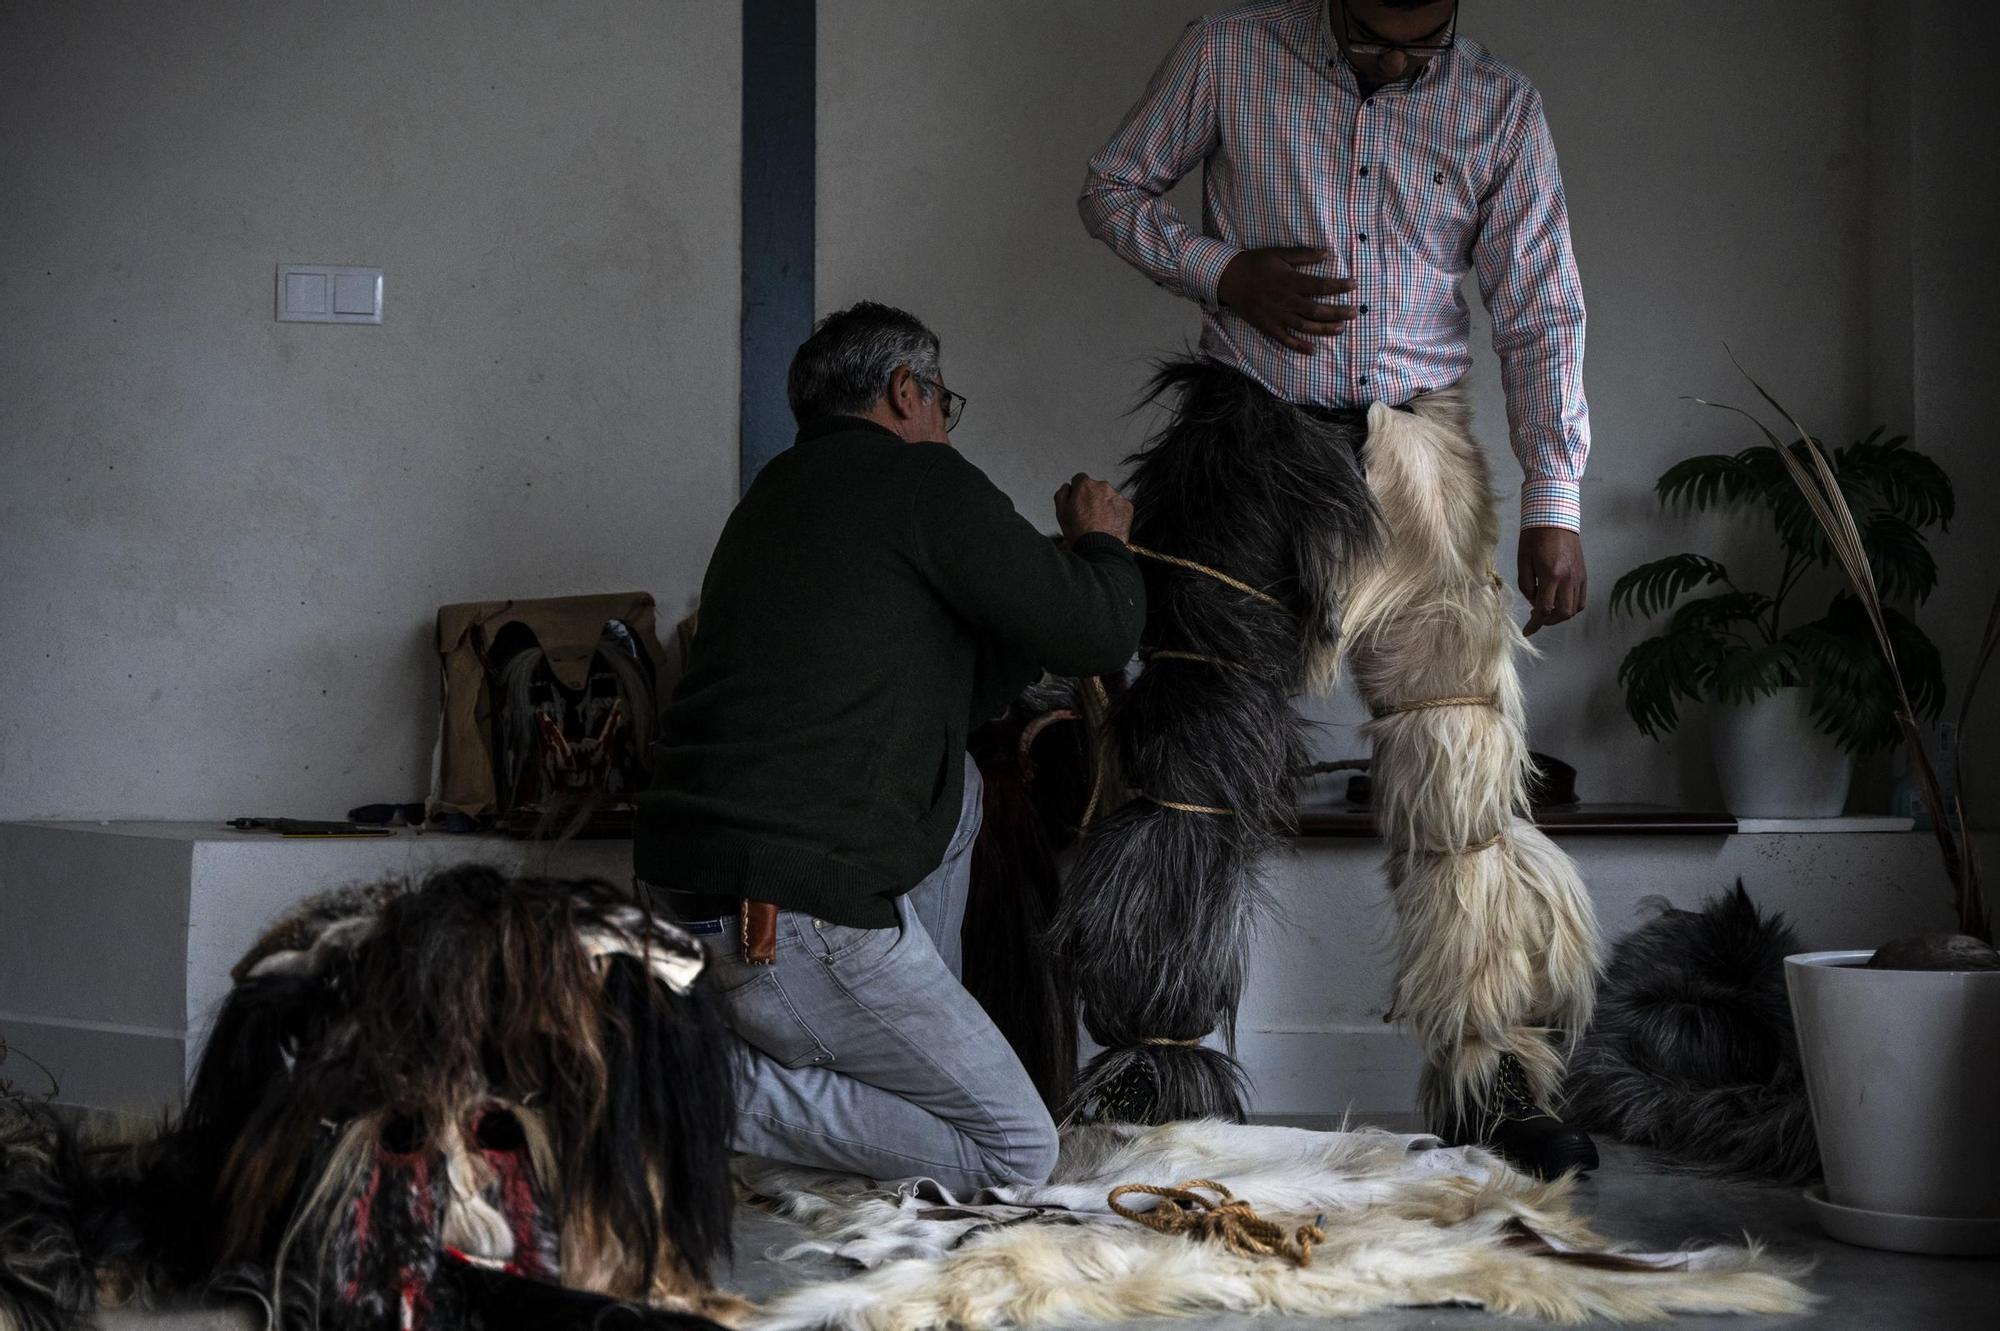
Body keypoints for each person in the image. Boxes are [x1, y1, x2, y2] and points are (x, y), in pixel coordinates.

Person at [1069, 0, 1602, 1176]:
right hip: (1241, 444)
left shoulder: (1497, 106)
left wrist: (1553, 501)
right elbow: (1110, 189)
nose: (1397, 62)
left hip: (1415, 455)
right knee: (1189, 767)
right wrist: (1220, 270)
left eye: (1423, 40)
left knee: (1458, 772)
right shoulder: (1229, 51)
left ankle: (1489, 1080)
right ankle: (1154, 1077)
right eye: (1371, 37)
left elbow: (1537, 304)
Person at [633, 301, 1144, 1194]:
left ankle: (786, 1080)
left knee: (962, 803)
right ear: (907, 392)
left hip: (681, 898)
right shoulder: (924, 481)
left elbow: (952, 698)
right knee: (1016, 1152)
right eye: (944, 401)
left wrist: (1013, 618)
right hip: (793, 924)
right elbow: (1099, 631)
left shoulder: (768, 504)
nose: (945, 423)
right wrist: (1099, 545)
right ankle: (706, 1084)